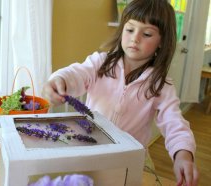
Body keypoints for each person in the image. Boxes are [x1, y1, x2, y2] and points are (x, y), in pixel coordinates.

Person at [42, 0, 199, 185]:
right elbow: (76, 73)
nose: (135, 38)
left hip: (132, 158)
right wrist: (59, 81)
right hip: (90, 148)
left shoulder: (161, 85)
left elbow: (174, 122)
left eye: (147, 33)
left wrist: (183, 153)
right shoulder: (100, 63)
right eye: (130, 29)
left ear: (162, 42)